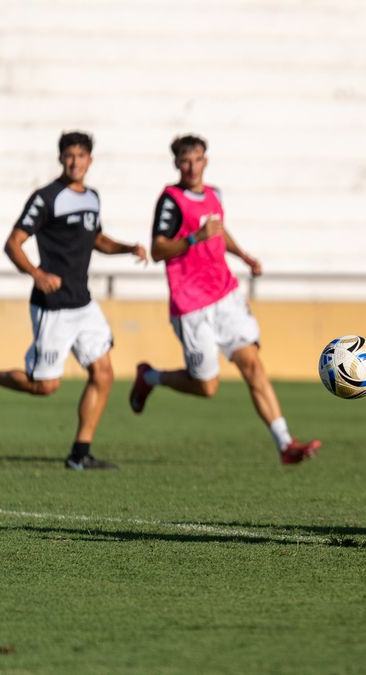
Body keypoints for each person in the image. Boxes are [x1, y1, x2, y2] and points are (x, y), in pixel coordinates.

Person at [0, 131, 147, 470]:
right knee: (45, 385)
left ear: (90, 160)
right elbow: (13, 243)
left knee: (103, 374)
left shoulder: (93, 197)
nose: (75, 162)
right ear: (60, 159)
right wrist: (37, 274)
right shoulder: (46, 197)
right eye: (69, 155)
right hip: (52, 306)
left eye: (81, 156)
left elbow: (96, 237)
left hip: (83, 304)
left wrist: (128, 248)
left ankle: (80, 453)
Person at [128, 135, 320, 464]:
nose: (192, 167)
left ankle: (285, 444)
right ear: (176, 164)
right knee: (207, 386)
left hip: (225, 294)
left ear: (206, 160)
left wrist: (243, 256)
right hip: (191, 303)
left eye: (197, 159)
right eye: (185, 161)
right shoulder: (171, 201)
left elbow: (219, 230)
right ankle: (149, 377)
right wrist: (192, 238)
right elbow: (159, 249)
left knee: (253, 365)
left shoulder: (214, 194)